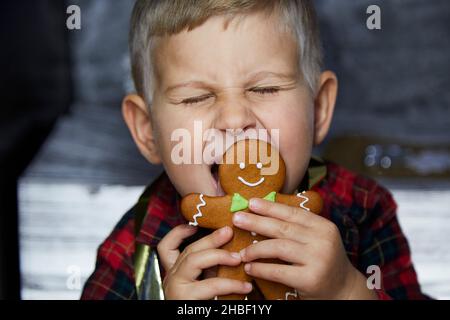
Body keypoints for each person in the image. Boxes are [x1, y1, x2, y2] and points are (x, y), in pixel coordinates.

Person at [81, 0, 428, 300]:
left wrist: (346, 290)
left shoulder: (363, 210)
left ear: (318, 109)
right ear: (147, 132)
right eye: (196, 97)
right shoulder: (135, 245)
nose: (234, 120)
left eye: (264, 88)